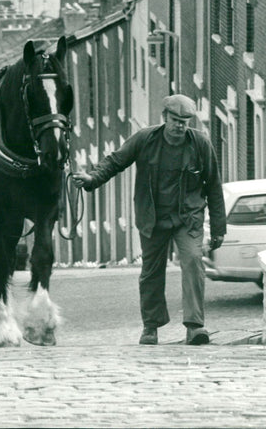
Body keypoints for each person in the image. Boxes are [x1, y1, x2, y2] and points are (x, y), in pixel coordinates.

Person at [72, 94, 226, 346]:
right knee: (151, 272)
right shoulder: (145, 139)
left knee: (192, 261)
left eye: (185, 121)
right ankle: (151, 327)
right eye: (175, 120)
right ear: (164, 117)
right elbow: (115, 162)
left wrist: (219, 228)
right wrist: (91, 179)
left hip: (188, 218)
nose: (180, 126)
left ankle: (195, 327)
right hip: (152, 218)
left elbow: (214, 186)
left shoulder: (200, 143)